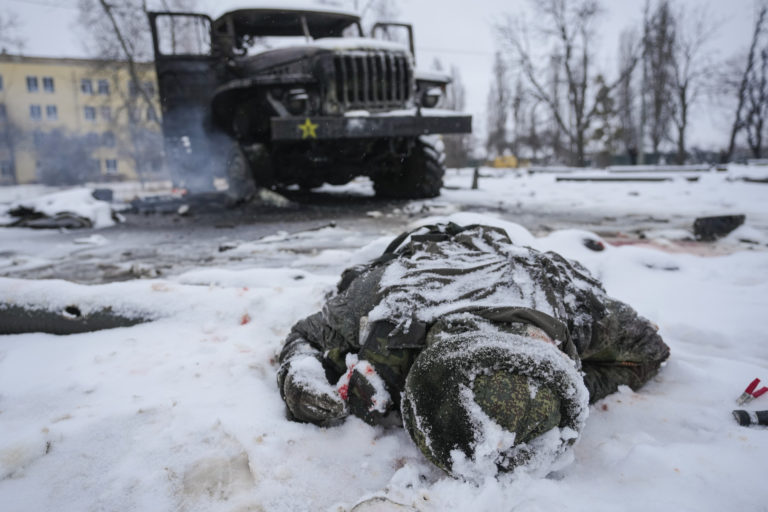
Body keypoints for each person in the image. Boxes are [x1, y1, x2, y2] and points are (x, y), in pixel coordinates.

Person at [276, 223, 670, 477]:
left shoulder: (575, 306)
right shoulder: (387, 299)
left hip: (512, 251)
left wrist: (578, 384)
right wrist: (300, 380)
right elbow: (306, 335)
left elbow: (650, 352)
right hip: (425, 246)